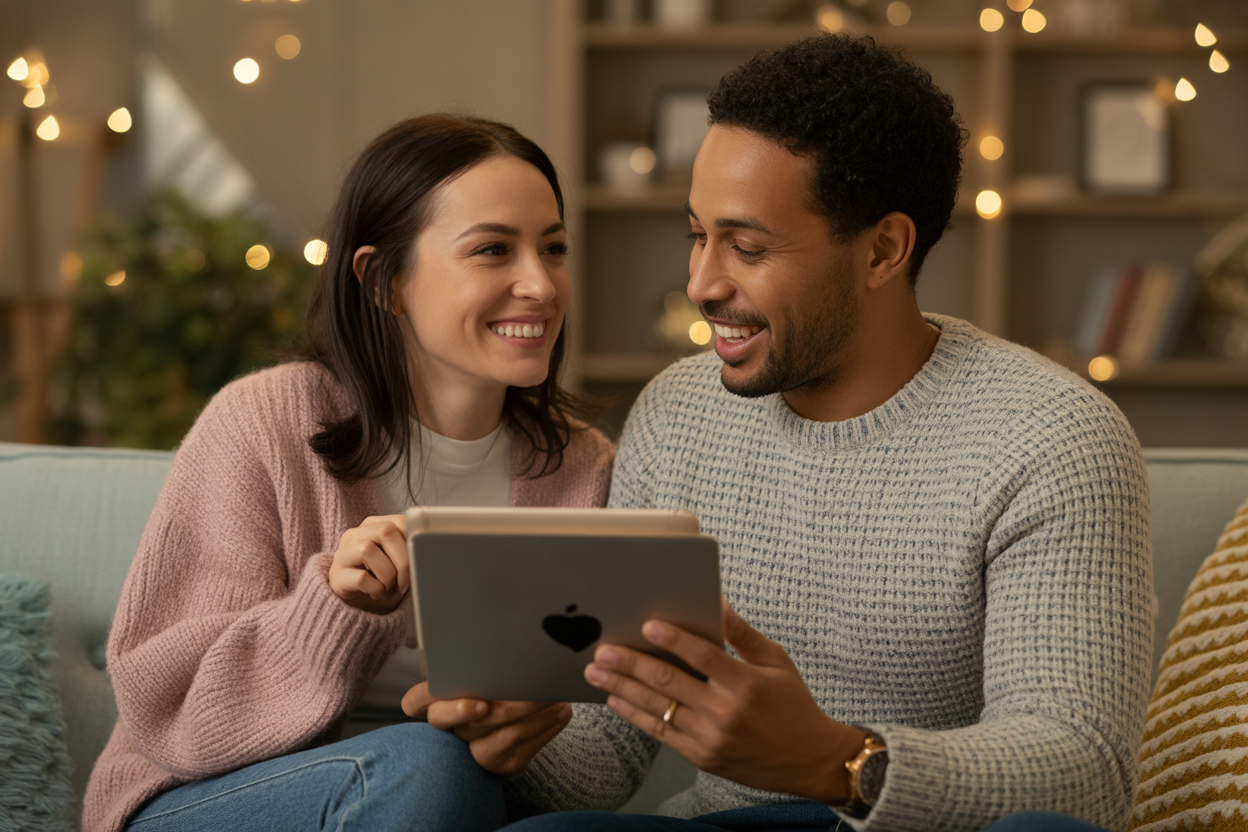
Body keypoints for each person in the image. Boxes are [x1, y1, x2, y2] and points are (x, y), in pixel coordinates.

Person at [495, 33, 1153, 832]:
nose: (701, 283)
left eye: (747, 247)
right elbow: (609, 751)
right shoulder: (677, 414)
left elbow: (1085, 771)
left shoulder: (1051, 438)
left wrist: (836, 762)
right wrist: (518, 734)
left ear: (883, 250)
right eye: (697, 235)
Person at [82, 115, 614, 832]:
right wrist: (333, 609)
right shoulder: (262, 423)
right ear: (384, 281)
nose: (541, 285)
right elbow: (169, 709)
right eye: (492, 249)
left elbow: (589, 726)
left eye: (553, 249)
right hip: (201, 799)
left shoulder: (583, 469)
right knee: (430, 767)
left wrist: (518, 737)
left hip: (450, 807)